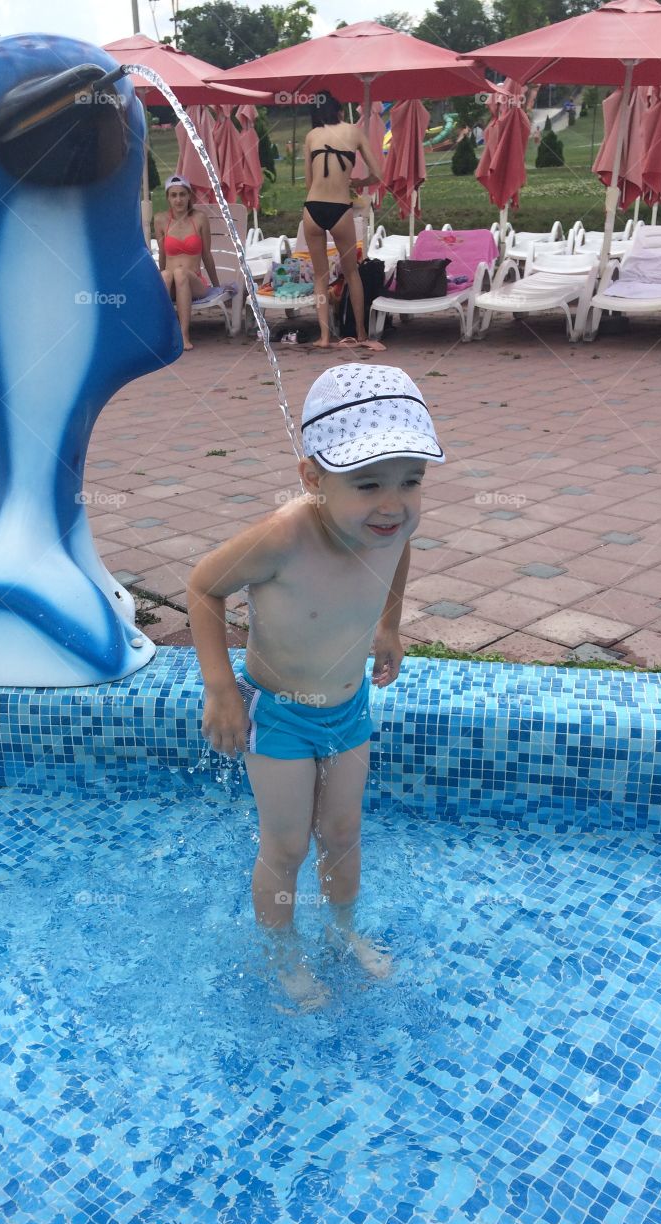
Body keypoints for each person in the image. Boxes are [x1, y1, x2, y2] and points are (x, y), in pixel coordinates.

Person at [187, 365, 445, 1009]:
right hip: (279, 715)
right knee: (288, 841)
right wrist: (220, 688)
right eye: (368, 484)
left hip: (348, 705)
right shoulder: (285, 537)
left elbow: (399, 550)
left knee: (342, 828)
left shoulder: (388, 526)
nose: (394, 504)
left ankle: (344, 929)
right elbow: (203, 587)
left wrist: (389, 624)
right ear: (313, 478)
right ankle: (282, 953)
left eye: (411, 481)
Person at [302, 90, 385, 351]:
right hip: (340, 208)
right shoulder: (354, 132)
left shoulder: (311, 136)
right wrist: (359, 182)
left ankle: (325, 337)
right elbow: (378, 174)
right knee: (351, 273)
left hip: (313, 208)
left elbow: (307, 182)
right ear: (339, 110)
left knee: (320, 275)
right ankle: (360, 333)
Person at [155, 175, 220, 350]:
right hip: (172, 284)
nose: (178, 200)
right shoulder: (160, 220)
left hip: (195, 282)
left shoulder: (199, 218)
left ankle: (183, 335)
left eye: (182, 194)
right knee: (168, 274)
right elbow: (162, 255)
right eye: (174, 195)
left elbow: (206, 254)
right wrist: (162, 278)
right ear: (168, 198)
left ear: (189, 196)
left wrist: (217, 286)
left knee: (180, 272)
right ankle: (162, 334)